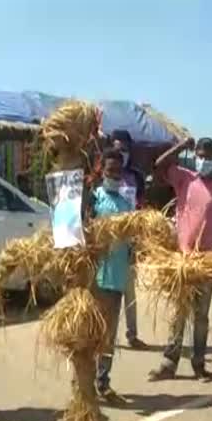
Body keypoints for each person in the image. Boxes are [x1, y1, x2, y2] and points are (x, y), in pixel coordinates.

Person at [148, 134, 212, 382]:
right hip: (183, 259)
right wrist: (180, 146)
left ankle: (198, 363)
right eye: (199, 155)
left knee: (201, 316)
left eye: (208, 156)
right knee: (178, 313)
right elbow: (159, 166)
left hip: (207, 263)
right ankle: (169, 362)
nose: (203, 160)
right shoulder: (185, 179)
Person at [89, 149, 135, 401]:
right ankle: (83, 380)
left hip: (116, 279)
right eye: (110, 170)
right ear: (101, 170)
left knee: (108, 336)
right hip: (93, 279)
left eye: (118, 171)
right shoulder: (93, 200)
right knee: (89, 332)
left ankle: (103, 382)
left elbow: (132, 242)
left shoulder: (127, 205)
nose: (114, 175)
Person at [110, 130, 147, 349]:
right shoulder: (103, 173)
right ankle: (107, 335)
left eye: (124, 149)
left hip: (130, 241)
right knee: (108, 291)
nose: (120, 154)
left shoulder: (136, 177)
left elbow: (141, 206)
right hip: (108, 241)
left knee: (129, 291)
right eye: (116, 148)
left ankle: (132, 334)